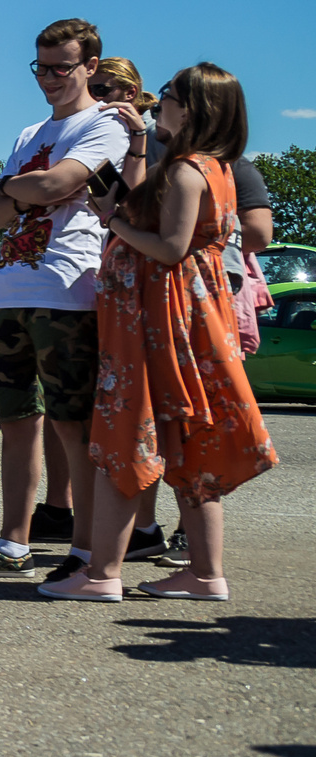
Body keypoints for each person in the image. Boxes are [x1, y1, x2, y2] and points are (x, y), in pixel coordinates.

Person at [43, 63, 276, 601]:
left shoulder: (189, 171)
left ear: (191, 107)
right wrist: (141, 145)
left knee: (129, 435)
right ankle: (205, 574)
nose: (157, 100)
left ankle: (101, 575)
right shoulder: (214, 166)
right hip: (188, 316)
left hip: (157, 319)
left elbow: (170, 247)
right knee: (186, 442)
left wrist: (113, 221)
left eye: (167, 95)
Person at [0, 19, 136, 582]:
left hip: (68, 291)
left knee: (72, 423)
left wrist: (21, 189)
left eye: (61, 67)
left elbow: (56, 187)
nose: (49, 78)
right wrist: (24, 189)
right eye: (41, 67)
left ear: (90, 67)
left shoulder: (106, 126)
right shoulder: (29, 133)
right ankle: (13, 543)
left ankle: (82, 551)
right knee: (17, 420)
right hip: (9, 291)